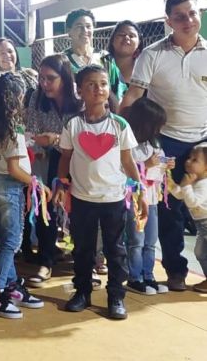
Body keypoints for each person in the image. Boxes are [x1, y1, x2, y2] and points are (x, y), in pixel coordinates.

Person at [120, 0, 207, 291]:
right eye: (180, 16)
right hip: (165, 145)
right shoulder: (152, 55)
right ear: (168, 21)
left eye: (192, 13)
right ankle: (176, 272)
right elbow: (132, 97)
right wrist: (118, 131)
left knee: (204, 210)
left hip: (203, 145)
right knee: (170, 212)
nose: (188, 20)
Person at [55, 65, 147, 320]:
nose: (98, 89)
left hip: (113, 199)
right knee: (83, 248)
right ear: (80, 90)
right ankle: (82, 292)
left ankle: (116, 296)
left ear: (109, 89)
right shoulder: (73, 125)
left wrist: (139, 190)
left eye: (103, 83)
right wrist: (62, 184)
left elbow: (128, 161)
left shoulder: (119, 125)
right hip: (82, 198)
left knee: (115, 249)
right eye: (91, 84)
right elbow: (66, 158)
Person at [0, 73, 47, 319]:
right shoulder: (13, 129)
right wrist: (36, 183)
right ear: (16, 98)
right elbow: (14, 168)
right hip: (9, 186)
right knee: (12, 241)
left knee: (4, 238)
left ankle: (10, 285)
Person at [24, 54, 81, 286]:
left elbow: (81, 136)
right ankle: (46, 261)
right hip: (45, 159)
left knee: (79, 209)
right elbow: (31, 133)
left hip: (79, 160)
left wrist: (55, 139)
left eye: (51, 78)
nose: (44, 83)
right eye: (41, 78)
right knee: (44, 207)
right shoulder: (37, 97)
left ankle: (84, 261)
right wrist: (52, 142)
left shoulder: (79, 97)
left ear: (65, 78)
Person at [121, 98, 171, 295]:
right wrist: (146, 165)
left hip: (151, 199)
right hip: (135, 200)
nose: (158, 129)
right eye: (156, 125)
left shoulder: (155, 143)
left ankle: (148, 275)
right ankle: (135, 277)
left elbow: (159, 165)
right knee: (136, 240)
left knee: (150, 241)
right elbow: (125, 170)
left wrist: (165, 165)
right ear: (146, 123)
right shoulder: (129, 145)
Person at [167, 143, 207, 292]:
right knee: (200, 252)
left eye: (195, 160)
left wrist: (185, 185)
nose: (188, 161)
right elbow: (180, 194)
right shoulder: (194, 181)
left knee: (202, 253)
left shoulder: (204, 184)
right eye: (189, 157)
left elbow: (192, 201)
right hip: (201, 225)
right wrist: (170, 181)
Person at [62, 8, 126, 99]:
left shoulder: (105, 57)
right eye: (79, 26)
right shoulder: (62, 60)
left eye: (88, 26)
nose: (85, 30)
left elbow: (119, 88)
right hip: (72, 111)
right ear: (68, 30)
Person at [106, 20, 144, 85]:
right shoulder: (101, 65)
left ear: (139, 42)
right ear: (112, 40)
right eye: (121, 34)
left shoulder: (146, 68)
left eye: (132, 36)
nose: (126, 37)